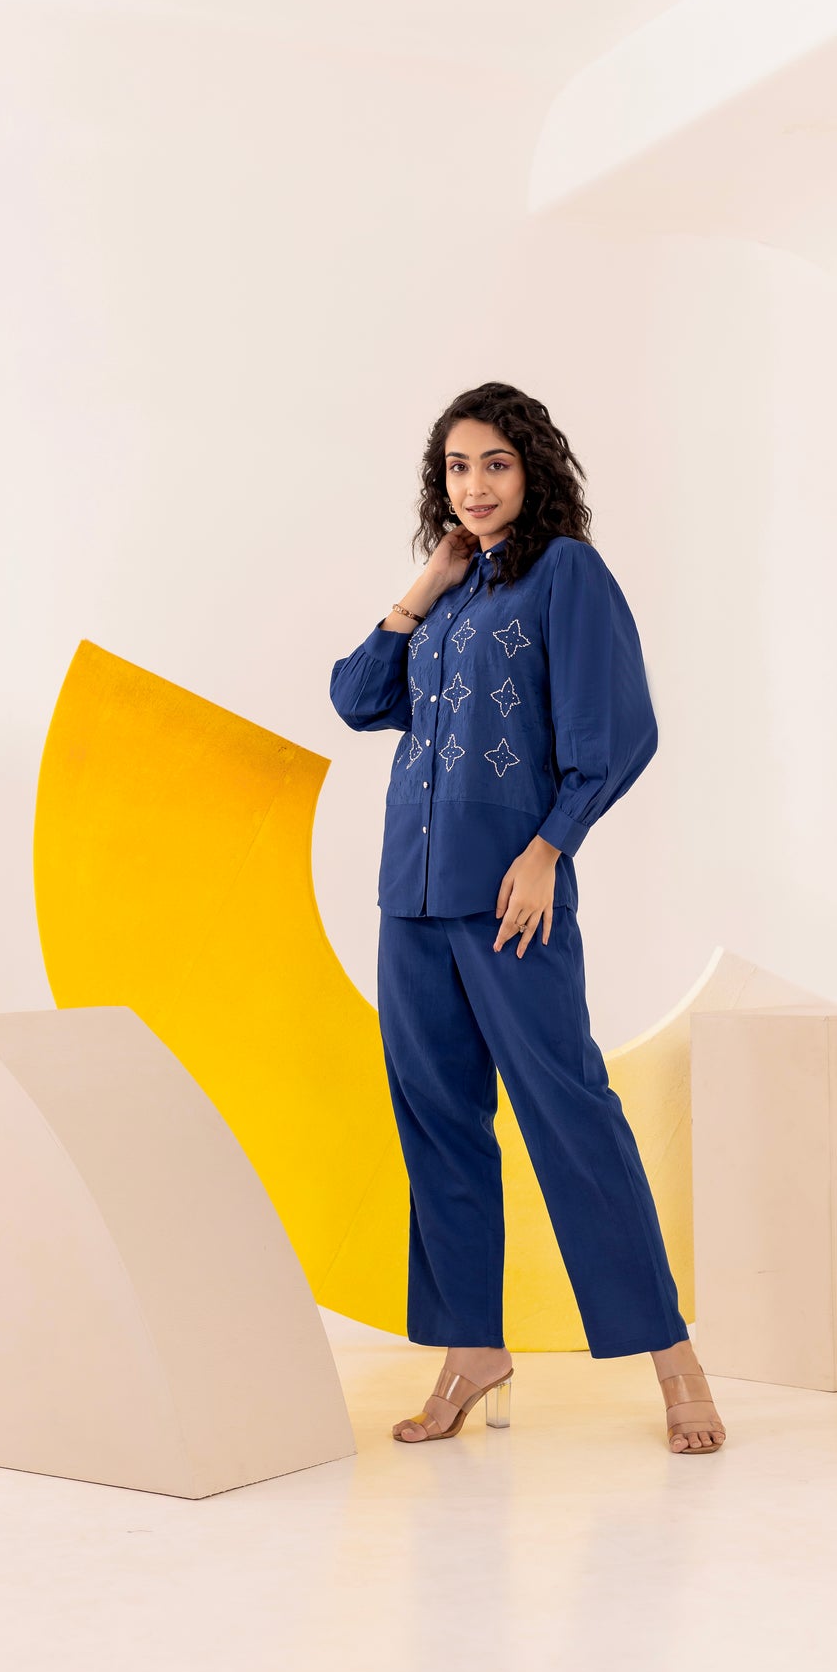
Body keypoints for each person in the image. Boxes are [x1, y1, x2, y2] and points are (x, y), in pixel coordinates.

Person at [329, 382, 726, 1455]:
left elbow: (620, 733)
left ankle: (673, 1359)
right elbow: (359, 699)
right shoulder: (452, 591)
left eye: (495, 464)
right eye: (457, 467)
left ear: (532, 469)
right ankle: (471, 1351)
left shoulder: (567, 575)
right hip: (411, 899)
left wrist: (550, 850)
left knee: (570, 1114)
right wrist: (426, 582)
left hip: (511, 897)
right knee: (437, 1121)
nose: (475, 485)